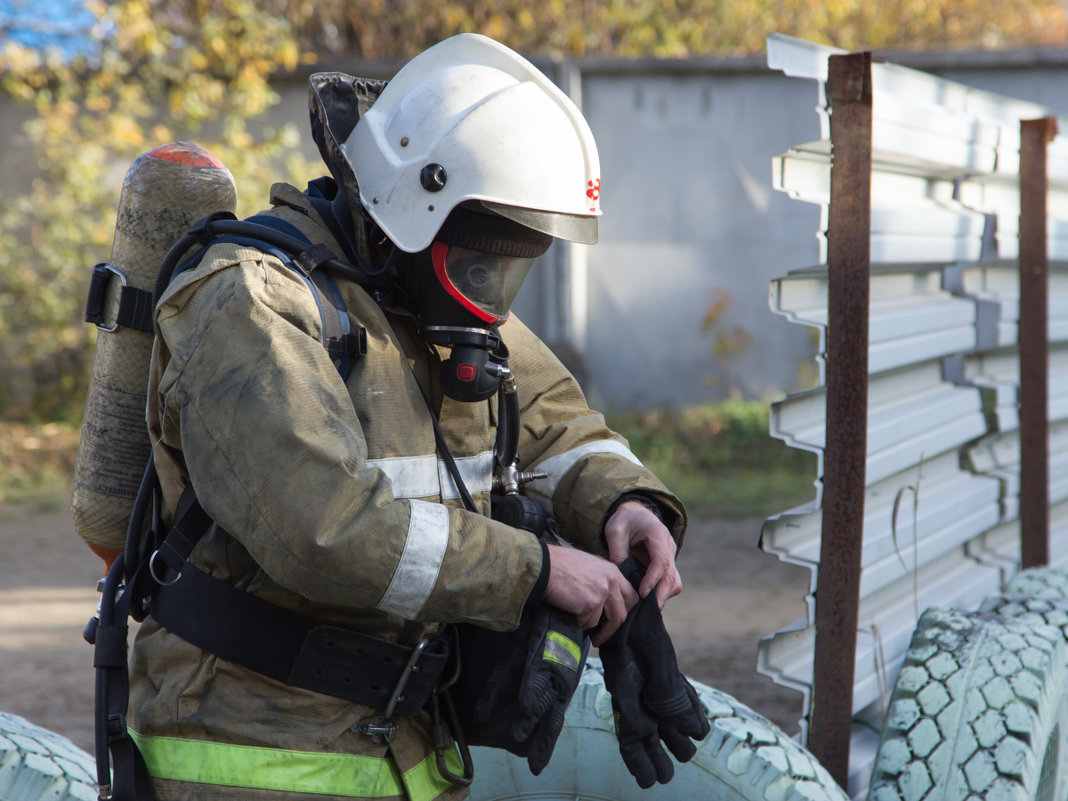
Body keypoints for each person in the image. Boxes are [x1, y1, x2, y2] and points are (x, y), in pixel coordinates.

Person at [127, 33, 689, 800]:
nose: (491, 290)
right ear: (408, 210)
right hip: (253, 756)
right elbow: (323, 527)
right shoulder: (251, 302)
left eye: (515, 264)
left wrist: (627, 505)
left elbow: (555, 420)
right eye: (481, 256)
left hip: (411, 748)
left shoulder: (435, 296)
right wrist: (539, 570)